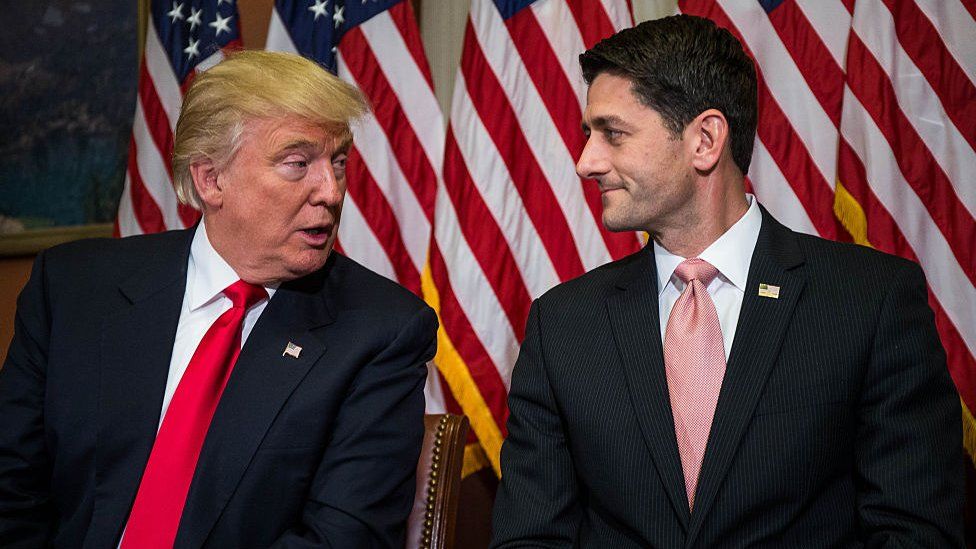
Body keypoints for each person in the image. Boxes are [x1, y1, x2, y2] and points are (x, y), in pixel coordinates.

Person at [491, 15, 963, 548]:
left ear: (706, 139)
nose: (585, 163)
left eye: (613, 134)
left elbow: (915, 532)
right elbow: (529, 539)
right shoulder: (562, 325)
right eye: (588, 136)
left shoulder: (869, 301)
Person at [0, 50, 437, 548]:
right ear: (211, 179)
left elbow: (341, 537)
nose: (331, 191)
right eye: (299, 164)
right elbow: (12, 492)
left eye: (338, 162)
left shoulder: (379, 329)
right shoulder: (77, 288)